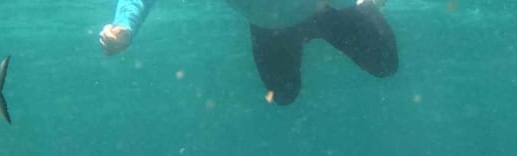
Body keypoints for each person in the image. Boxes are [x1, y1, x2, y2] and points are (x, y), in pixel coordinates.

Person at [99, 0, 398, 105]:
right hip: (270, 27)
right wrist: (124, 26)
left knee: (386, 64)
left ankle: (366, 10)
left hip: (330, 11)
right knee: (284, 95)